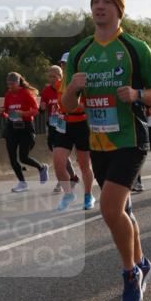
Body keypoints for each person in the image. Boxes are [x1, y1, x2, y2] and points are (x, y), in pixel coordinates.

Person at [62, 0, 151, 301]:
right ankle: (144, 262)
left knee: (109, 208)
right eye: (96, 1)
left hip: (131, 139)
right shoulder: (79, 54)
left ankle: (130, 271)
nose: (100, 6)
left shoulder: (136, 48)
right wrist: (73, 88)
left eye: (107, 1)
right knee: (122, 211)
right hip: (98, 142)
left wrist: (137, 95)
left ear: (119, 9)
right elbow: (67, 106)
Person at [52, 58, 95, 212]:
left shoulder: (83, 81)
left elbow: (90, 102)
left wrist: (77, 106)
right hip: (64, 124)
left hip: (81, 124)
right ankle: (68, 194)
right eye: (62, 64)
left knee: (84, 164)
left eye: (67, 64)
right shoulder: (59, 84)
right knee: (58, 163)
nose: (64, 66)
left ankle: (88, 195)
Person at [0, 72, 49, 191]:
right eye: (8, 84)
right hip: (12, 127)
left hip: (25, 127)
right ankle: (22, 183)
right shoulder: (8, 95)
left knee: (23, 157)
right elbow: (7, 112)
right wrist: (2, 113)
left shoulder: (26, 93)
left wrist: (23, 113)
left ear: (18, 83)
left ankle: (41, 167)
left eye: (12, 84)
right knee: (12, 157)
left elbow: (36, 111)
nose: (10, 86)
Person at [39, 63, 77, 193]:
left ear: (61, 76)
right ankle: (72, 177)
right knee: (59, 156)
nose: (52, 79)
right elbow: (42, 108)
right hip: (52, 126)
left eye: (54, 76)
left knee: (60, 156)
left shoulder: (65, 87)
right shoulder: (46, 91)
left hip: (64, 124)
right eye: (49, 77)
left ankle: (62, 182)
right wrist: (42, 107)